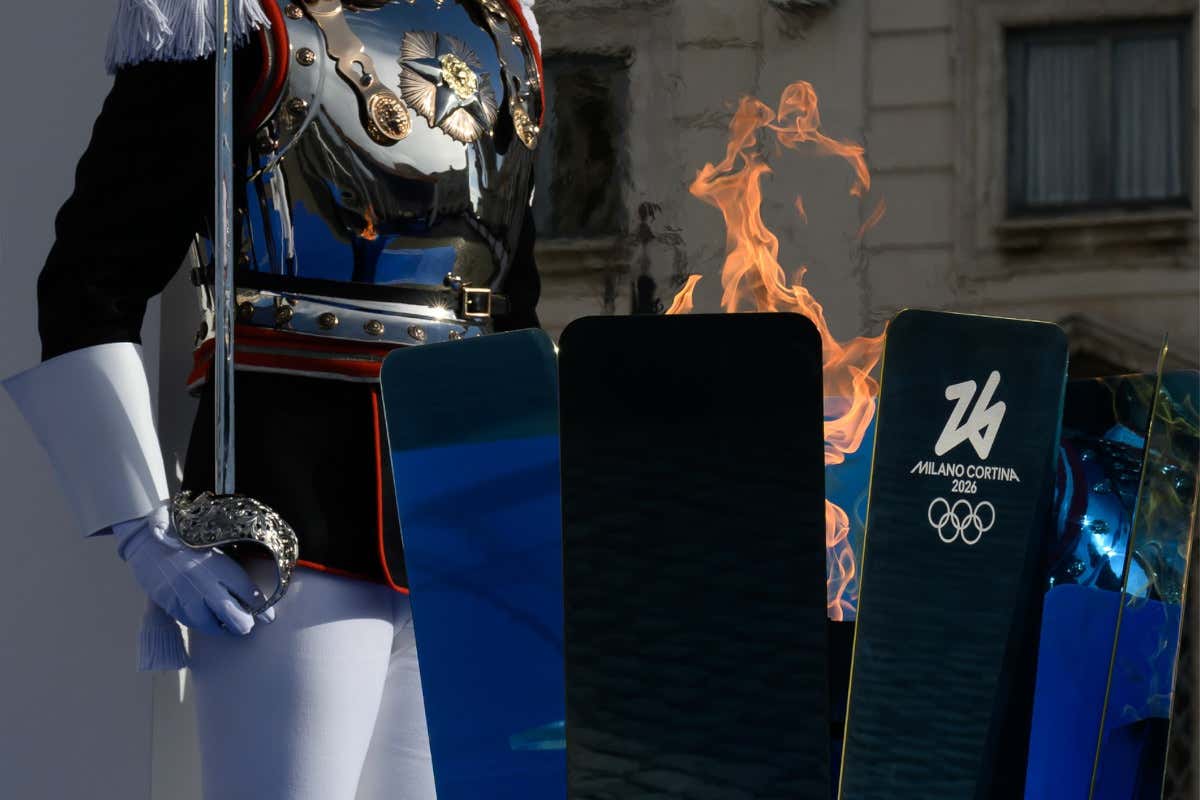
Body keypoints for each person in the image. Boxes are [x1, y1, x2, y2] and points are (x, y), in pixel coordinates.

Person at [4, 0, 544, 797]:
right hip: (293, 499)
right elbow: (90, 281)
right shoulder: (228, 18)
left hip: (471, 511)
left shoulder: (506, 25)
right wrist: (146, 529)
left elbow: (511, 303)